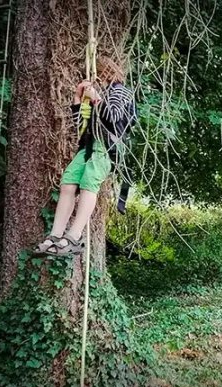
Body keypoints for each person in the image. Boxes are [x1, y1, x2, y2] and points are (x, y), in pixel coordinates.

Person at [34, 56, 136, 256]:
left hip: (107, 148)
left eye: (96, 74)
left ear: (105, 73)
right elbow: (80, 125)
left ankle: (74, 235)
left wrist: (96, 98)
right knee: (68, 183)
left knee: (89, 183)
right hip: (88, 146)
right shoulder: (101, 93)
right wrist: (77, 99)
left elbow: (114, 118)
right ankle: (55, 235)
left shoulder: (120, 91)